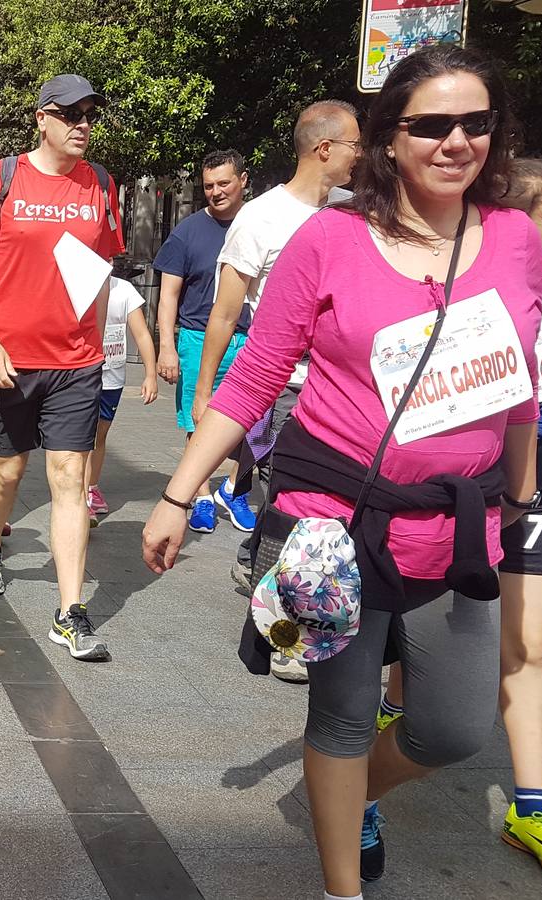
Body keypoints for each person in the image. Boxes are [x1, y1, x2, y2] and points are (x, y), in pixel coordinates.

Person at [144, 46, 542, 897]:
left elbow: (521, 389)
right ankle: (340, 886)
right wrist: (180, 493)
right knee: (344, 714)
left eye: (477, 123)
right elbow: (255, 375)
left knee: (453, 728)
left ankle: (349, 795)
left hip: (455, 524)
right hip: (335, 522)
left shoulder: (515, 238)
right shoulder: (331, 235)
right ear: (387, 139)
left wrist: (523, 500)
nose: (456, 141)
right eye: (431, 125)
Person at [380, 158, 542, 882]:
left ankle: (531, 807)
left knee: (529, 646)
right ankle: (370, 774)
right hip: (460, 491)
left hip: (538, 485)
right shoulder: (462, 274)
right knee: (421, 638)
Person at [0, 74, 126, 663]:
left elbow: (102, 267)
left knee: (68, 480)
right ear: (41, 118)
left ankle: (70, 612)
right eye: (71, 113)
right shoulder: (2, 178)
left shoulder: (101, 184)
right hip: (10, 359)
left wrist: (101, 343)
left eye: (91, 114)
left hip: (76, 361)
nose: (83, 124)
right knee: (7, 471)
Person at [196, 100, 361, 683]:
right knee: (288, 508)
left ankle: (321, 613)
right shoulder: (261, 218)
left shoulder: (355, 213)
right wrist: (207, 393)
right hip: (287, 389)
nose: (360, 156)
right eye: (353, 146)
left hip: (351, 393)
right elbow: (223, 314)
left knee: (334, 512)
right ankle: (285, 637)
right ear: (324, 150)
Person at [153, 149, 254, 532]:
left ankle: (234, 489)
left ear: (243, 180)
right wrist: (166, 346)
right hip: (197, 337)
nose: (215, 191)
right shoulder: (187, 232)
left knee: (251, 423)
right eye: (208, 185)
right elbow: (168, 295)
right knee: (200, 422)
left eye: (224, 183)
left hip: (250, 337)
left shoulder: (259, 224)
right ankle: (200, 496)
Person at [85, 275, 158, 521]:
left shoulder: (123, 289)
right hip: (82, 376)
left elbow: (142, 334)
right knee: (83, 437)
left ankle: (92, 487)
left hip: (112, 378)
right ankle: (80, 497)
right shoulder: (76, 283)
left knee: (99, 436)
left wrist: (150, 375)